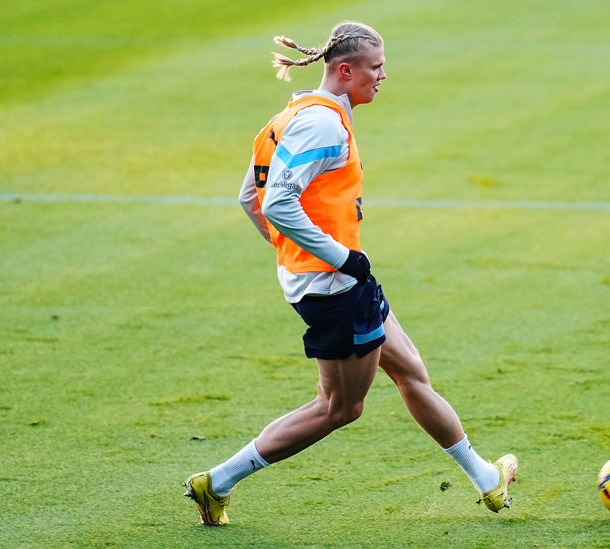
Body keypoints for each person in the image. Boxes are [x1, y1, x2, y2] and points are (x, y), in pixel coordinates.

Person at [183, 21, 517, 526]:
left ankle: (487, 480)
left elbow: (249, 197)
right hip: (337, 286)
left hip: (338, 280)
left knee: (411, 374)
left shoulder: (294, 115)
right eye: (376, 68)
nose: (383, 76)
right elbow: (276, 201)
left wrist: (297, 257)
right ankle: (217, 482)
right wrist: (334, 259)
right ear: (346, 70)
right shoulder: (323, 125)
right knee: (339, 408)